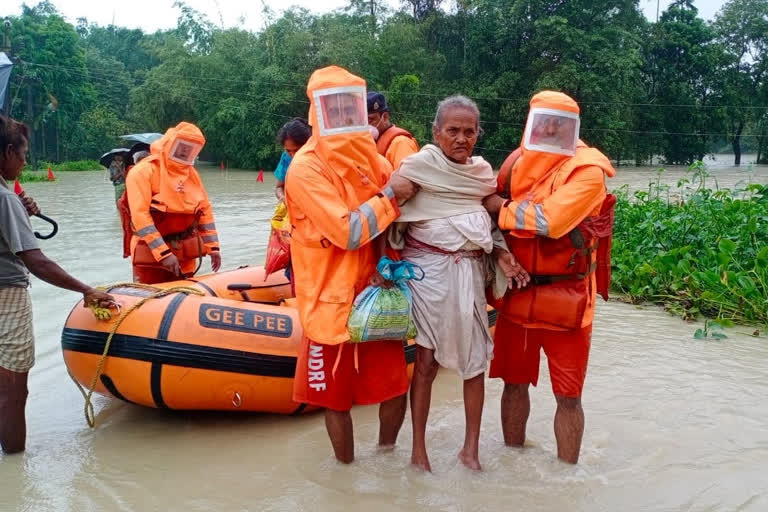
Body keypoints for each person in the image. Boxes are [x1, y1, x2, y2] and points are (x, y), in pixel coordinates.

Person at [386, 95, 529, 472]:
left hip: (468, 273)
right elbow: (390, 212)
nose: (461, 138)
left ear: (478, 134)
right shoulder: (416, 167)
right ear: (436, 132)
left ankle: (471, 451)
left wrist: (500, 253)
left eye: (469, 131)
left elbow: (486, 220)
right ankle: (419, 450)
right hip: (426, 274)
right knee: (427, 362)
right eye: (453, 130)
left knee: (475, 361)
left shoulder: (481, 174)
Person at [286, 65, 419, 464]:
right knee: (334, 399)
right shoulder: (306, 168)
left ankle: (386, 457)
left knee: (396, 387)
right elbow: (348, 231)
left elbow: (405, 198)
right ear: (316, 112)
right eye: (334, 108)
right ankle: (345, 474)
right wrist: (391, 197)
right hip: (330, 301)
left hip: (379, 292)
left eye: (351, 107)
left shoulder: (370, 157)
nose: (344, 117)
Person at [483, 91, 616, 464]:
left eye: (561, 121)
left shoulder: (588, 172)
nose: (553, 127)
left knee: (569, 397)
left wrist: (501, 207)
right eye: (546, 120)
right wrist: (497, 210)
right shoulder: (513, 165)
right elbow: (482, 204)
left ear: (573, 127)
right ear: (532, 122)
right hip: (518, 293)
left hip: (569, 299)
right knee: (512, 384)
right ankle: (512, 464)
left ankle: (566, 478)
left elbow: (549, 222)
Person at [0, 114, 116, 454]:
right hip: (7, 297)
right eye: (22, 155)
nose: (24, 163)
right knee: (13, 391)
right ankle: (16, 467)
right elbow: (36, 261)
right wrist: (87, 290)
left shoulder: (8, 199)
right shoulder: (5, 199)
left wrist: (20, 210)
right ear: (7, 152)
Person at [125, 122, 222, 284]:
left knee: (186, 298)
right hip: (151, 254)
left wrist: (213, 247)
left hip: (184, 252)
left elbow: (204, 211)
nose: (185, 151)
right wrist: (164, 254)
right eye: (182, 145)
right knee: (150, 301)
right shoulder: (143, 171)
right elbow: (140, 216)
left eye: (191, 148)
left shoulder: (192, 175)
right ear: (170, 143)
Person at [367, 91, 419, 170]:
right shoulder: (370, 143)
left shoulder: (401, 143)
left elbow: (407, 179)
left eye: (370, 120)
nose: (367, 125)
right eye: (363, 121)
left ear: (385, 117)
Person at [274, 118, 312, 201]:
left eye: (297, 150)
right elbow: (279, 187)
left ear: (308, 144)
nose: (293, 155)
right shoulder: (286, 158)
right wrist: (282, 197)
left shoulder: (317, 157)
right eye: (288, 150)